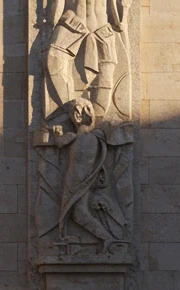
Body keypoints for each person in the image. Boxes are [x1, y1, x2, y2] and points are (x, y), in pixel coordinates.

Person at [48, 98, 127, 254]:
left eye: (74, 112)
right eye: (72, 113)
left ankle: (107, 238)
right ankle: (103, 239)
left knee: (79, 213)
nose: (74, 116)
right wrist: (58, 135)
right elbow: (60, 143)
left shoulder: (92, 138)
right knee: (77, 213)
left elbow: (90, 163)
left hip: (79, 181)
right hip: (75, 180)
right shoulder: (77, 137)